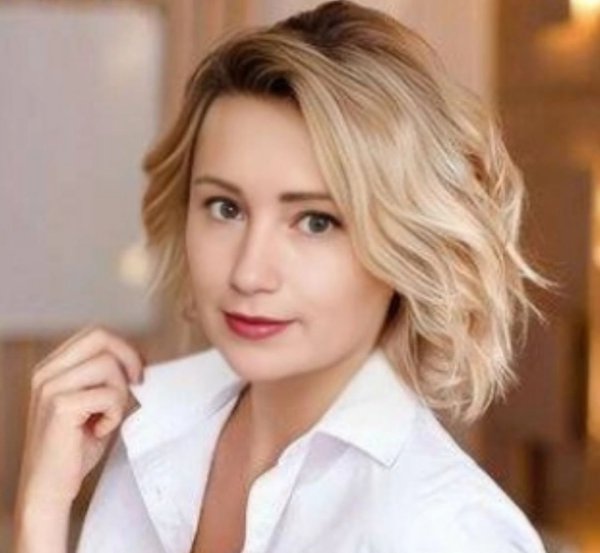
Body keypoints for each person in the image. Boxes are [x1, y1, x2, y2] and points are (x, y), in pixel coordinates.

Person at [13, 1, 558, 552]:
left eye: (316, 222)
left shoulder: (447, 531)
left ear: (407, 245)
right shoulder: (150, 437)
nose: (249, 273)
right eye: (226, 208)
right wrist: (42, 508)